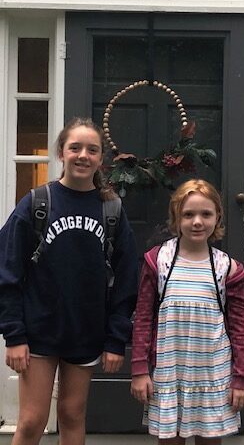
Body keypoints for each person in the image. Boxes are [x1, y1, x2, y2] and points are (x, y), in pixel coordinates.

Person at [0, 117, 138, 445]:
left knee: (72, 416)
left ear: (100, 159)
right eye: (74, 147)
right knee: (32, 421)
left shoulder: (111, 210)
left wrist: (116, 337)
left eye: (92, 150)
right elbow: (7, 272)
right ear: (61, 152)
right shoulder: (36, 203)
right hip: (38, 331)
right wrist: (14, 335)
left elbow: (127, 278)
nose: (82, 155)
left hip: (86, 330)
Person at [131, 179, 244, 445]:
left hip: (212, 375)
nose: (197, 221)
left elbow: (239, 328)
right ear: (176, 216)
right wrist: (140, 369)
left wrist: (242, 377)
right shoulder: (158, 260)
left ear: (217, 216)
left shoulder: (228, 269)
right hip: (168, 373)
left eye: (206, 214)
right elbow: (143, 318)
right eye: (188, 214)